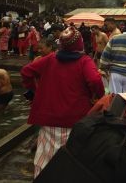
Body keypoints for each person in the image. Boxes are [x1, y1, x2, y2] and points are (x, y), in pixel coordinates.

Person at [21, 26, 105, 178]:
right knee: (73, 159)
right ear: (80, 44)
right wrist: (98, 95)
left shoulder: (50, 59)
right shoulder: (84, 61)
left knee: (46, 157)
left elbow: (26, 72)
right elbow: (94, 80)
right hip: (75, 119)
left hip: (49, 118)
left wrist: (35, 91)